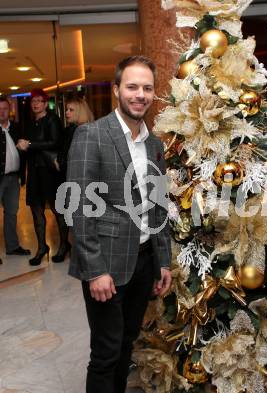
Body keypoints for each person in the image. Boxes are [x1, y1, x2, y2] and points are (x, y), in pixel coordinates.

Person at [66, 55, 172, 393]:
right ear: (116, 90)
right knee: (106, 353)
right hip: (106, 264)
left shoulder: (154, 145)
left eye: (147, 88)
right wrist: (94, 270)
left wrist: (163, 260)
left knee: (127, 345)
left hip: (142, 261)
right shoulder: (91, 135)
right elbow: (80, 207)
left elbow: (158, 207)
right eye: (132, 86)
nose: (140, 94)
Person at [17, 89, 67, 266]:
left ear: (46, 103)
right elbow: (26, 146)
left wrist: (29, 144)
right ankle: (41, 248)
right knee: (36, 210)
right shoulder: (31, 123)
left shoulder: (52, 120)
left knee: (57, 210)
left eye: (39, 101)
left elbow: (55, 142)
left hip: (50, 172)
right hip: (34, 172)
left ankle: (63, 246)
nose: (35, 104)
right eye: (33, 101)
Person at [0, 96, 30, 258]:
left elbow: (26, 147)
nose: (1, 112)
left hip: (13, 178)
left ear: (9, 111)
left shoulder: (17, 128)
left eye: (4, 109)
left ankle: (12, 246)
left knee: (11, 213)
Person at [55, 96, 94, 177]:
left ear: (80, 112)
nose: (66, 112)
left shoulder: (82, 131)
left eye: (71, 110)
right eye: (67, 109)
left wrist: (59, 164)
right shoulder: (70, 129)